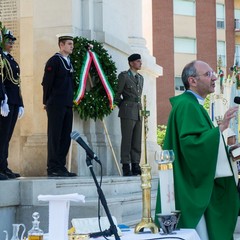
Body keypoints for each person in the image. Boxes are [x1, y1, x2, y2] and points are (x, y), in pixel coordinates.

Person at [155, 60, 240, 240]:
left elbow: (200, 140)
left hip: (194, 181)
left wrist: (228, 150)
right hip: (190, 186)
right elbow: (191, 145)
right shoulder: (187, 105)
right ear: (192, 81)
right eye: (208, 74)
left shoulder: (193, 105)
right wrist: (220, 128)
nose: (214, 78)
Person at [42, 34, 77, 177]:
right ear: (61, 45)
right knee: (55, 135)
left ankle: (61, 166)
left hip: (67, 103)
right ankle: (52, 167)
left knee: (65, 136)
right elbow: (47, 83)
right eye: (69, 44)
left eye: (72, 44)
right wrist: (46, 101)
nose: (71, 46)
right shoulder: (54, 61)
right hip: (56, 103)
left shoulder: (69, 61)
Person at [114, 53, 144, 176]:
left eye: (140, 61)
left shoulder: (141, 78)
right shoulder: (124, 76)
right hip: (127, 110)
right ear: (131, 63)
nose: (140, 63)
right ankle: (126, 165)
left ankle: (136, 164)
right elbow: (116, 95)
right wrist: (123, 105)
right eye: (138, 61)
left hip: (138, 110)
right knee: (127, 139)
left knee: (137, 139)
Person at [0, 30, 24, 180]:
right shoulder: (1, 58)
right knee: (2, 135)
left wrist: (21, 103)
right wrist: (2, 100)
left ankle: (4, 166)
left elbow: (17, 83)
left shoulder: (11, 59)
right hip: (5, 101)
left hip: (14, 101)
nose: (11, 44)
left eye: (12, 42)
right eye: (9, 41)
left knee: (7, 136)